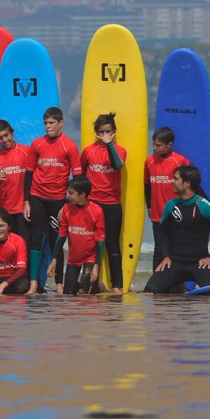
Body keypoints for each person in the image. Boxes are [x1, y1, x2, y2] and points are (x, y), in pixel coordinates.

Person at [144, 165, 210, 293]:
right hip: (175, 264)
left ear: (186, 183)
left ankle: (181, 288)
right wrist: (166, 256)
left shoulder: (205, 206)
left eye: (175, 179)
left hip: (199, 264)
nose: (172, 181)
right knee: (151, 291)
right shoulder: (171, 205)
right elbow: (161, 232)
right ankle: (179, 287)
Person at [28, 106, 82, 291]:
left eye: (51, 123)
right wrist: (26, 201)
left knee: (56, 240)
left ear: (61, 123)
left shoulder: (70, 146)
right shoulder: (37, 144)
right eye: (45, 123)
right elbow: (29, 173)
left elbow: (78, 179)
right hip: (37, 198)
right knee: (37, 238)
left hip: (58, 200)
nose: (48, 126)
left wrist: (67, 204)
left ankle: (59, 284)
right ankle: (34, 283)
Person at [80, 113, 127, 291]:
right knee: (91, 244)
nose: (105, 134)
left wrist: (109, 145)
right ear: (96, 133)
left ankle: (117, 286)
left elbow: (117, 165)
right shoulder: (88, 151)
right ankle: (94, 283)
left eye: (108, 131)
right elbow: (80, 177)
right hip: (92, 204)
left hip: (112, 204)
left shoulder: (120, 150)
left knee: (112, 244)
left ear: (114, 132)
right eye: (101, 132)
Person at [49, 176, 106, 295]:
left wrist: (96, 266)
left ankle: (95, 286)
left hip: (90, 258)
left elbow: (100, 242)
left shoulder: (96, 211)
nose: (68, 196)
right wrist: (54, 259)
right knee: (68, 294)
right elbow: (61, 236)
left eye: (71, 193)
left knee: (83, 293)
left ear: (82, 195)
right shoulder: (66, 209)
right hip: (73, 259)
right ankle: (96, 286)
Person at [143, 127, 190, 269]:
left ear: (169, 145)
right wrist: (149, 206)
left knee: (177, 250)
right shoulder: (149, 162)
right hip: (158, 214)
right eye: (153, 144)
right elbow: (147, 185)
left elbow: (190, 187)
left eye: (158, 145)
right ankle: (157, 282)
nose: (155, 148)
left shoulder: (180, 161)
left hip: (177, 214)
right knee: (159, 251)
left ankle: (178, 284)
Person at [0, 119, 34, 239]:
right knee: (8, 244)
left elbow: (36, 177)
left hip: (24, 208)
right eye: (0, 138)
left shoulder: (26, 151)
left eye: (6, 135)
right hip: (5, 211)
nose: (5, 140)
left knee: (24, 244)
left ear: (12, 133)